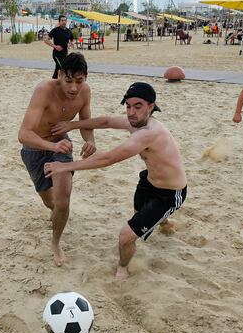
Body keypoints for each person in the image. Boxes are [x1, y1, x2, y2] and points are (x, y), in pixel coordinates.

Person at [45, 82, 186, 280]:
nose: (131, 112)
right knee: (140, 213)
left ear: (151, 106)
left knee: (126, 236)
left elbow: (108, 159)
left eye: (138, 106)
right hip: (149, 182)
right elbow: (106, 122)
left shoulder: (150, 133)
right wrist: (72, 125)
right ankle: (165, 223)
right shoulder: (136, 122)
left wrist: (64, 166)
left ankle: (123, 269)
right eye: (128, 106)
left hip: (170, 194)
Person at [18, 53, 96, 267]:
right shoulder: (44, 90)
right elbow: (24, 134)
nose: (73, 88)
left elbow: (86, 123)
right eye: (68, 81)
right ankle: (54, 211)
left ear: (85, 78)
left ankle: (56, 243)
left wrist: (90, 141)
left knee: (63, 199)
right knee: (50, 202)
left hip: (62, 145)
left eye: (79, 81)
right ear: (59, 75)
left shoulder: (85, 92)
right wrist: (51, 145)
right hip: (35, 148)